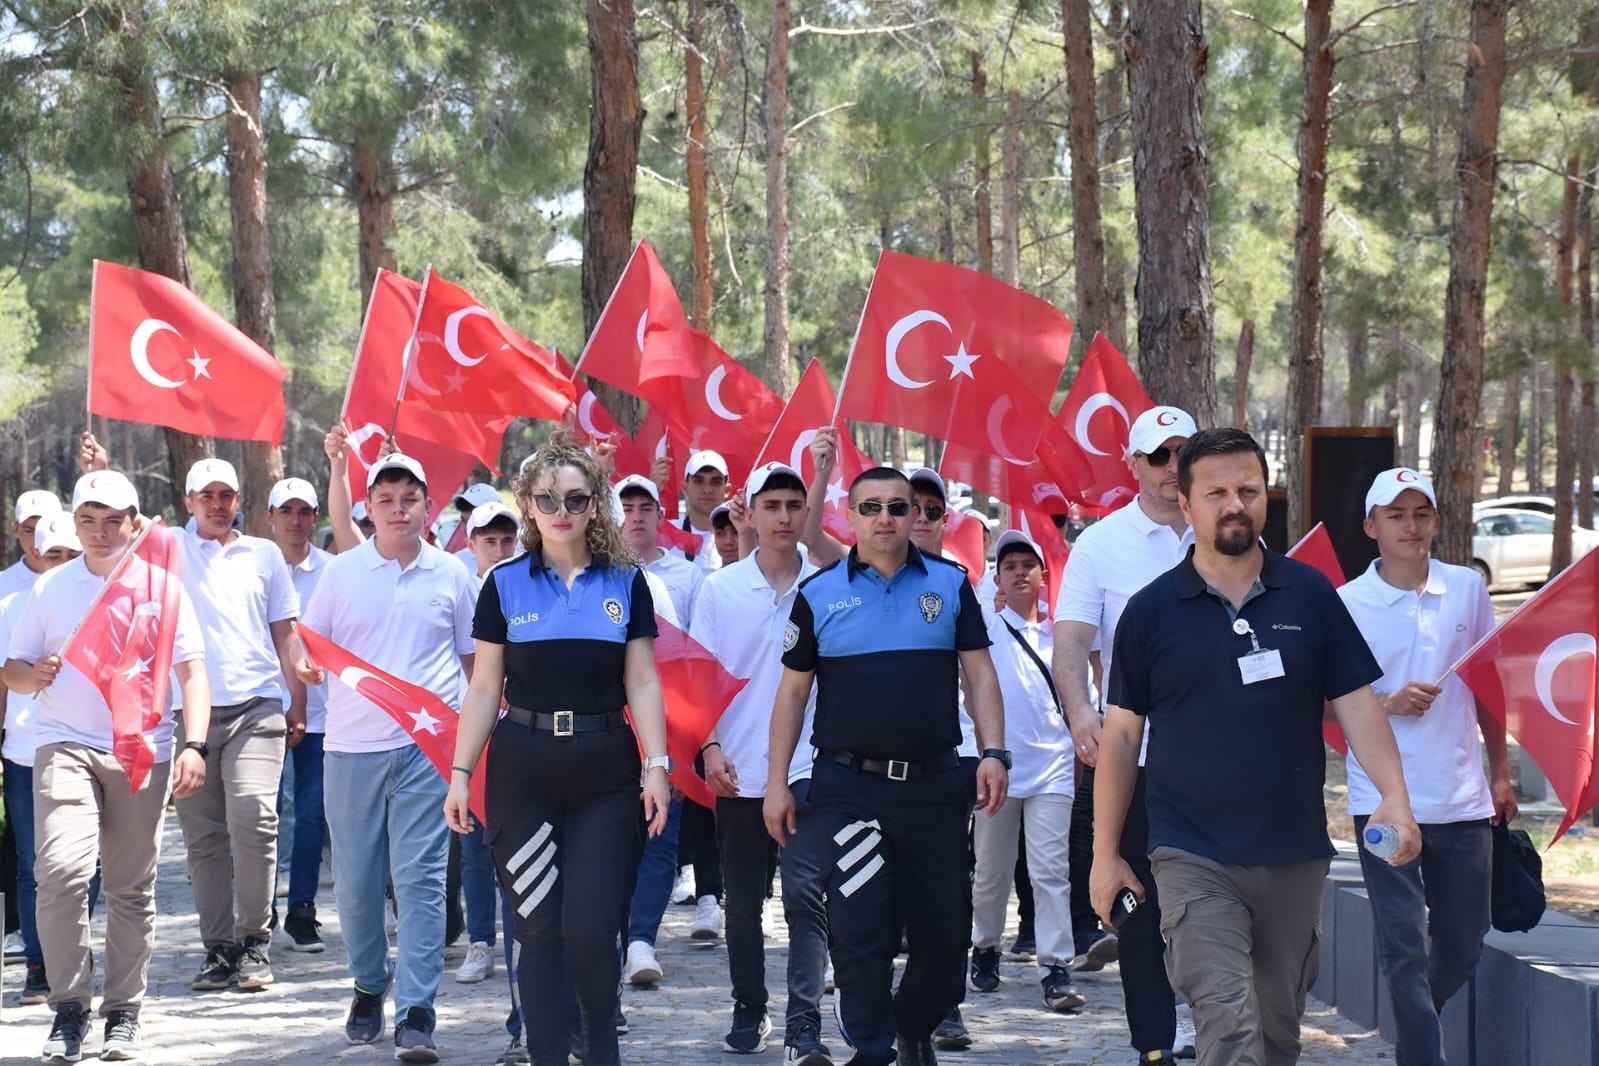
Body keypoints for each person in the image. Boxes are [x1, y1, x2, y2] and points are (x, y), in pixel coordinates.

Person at [1091, 428, 1422, 1066]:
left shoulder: (1311, 594)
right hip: (1191, 853)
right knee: (1227, 1024)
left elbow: (1357, 705)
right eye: (1215, 492)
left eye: (1247, 489)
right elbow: (1122, 736)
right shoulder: (1152, 612)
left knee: (1276, 1035)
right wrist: (1106, 854)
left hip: (1293, 853)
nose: (1234, 504)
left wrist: (1396, 799)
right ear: (1186, 506)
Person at [767, 466, 1008, 1066]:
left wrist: (995, 751)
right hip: (849, 789)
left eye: (898, 508)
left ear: (915, 516)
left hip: (935, 786)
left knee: (945, 932)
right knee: (859, 928)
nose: (885, 518)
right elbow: (792, 695)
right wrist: (776, 784)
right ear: (849, 516)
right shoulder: (818, 595)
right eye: (871, 507)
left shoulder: (951, 587)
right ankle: (873, 1049)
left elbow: (979, 675)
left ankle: (913, 1026)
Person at [445, 432, 672, 1066]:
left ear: (595, 503)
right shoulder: (503, 584)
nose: (561, 509)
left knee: (593, 929)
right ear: (528, 505)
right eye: (547, 499)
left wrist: (657, 765)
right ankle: (546, 1053)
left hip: (606, 772)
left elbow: (643, 679)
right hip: (523, 773)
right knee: (538, 931)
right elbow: (486, 685)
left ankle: (600, 1050)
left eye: (576, 497)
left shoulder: (627, 582)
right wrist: (462, 774)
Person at [6, 470, 211, 1063]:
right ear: (73, 522)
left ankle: (123, 1012)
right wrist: (31, 675)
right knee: (62, 872)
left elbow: (191, 673)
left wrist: (194, 744)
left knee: (129, 887)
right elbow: (12, 668)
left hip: (141, 747)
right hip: (63, 742)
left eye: (112, 520)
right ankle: (69, 1008)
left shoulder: (163, 587)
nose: (99, 532)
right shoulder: (52, 588)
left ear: (134, 521)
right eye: (87, 519)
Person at [296, 451, 478, 1063]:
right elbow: (310, 647)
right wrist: (305, 667)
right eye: (386, 500)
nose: (399, 510)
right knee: (356, 885)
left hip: (427, 750)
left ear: (429, 506)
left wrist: (475, 740)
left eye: (410, 499)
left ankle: (417, 1009)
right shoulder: (341, 573)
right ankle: (370, 984)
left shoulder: (452, 573)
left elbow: (474, 665)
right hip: (351, 750)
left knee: (422, 881)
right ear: (368, 509)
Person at [1338, 468, 1516, 1066]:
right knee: (1403, 945)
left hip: (1463, 801)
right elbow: (1327, 700)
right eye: (1396, 515)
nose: (1411, 526)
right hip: (1382, 803)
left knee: (1464, 943)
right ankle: (1421, 1057)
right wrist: (1383, 704)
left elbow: (1488, 682)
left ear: (1436, 521)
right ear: (1371, 526)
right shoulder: (1347, 603)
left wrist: (1500, 773)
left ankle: (1417, 1030)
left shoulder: (1467, 588)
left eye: (1421, 513)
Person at [1051, 405, 1198, 1062]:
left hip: (1216, 758)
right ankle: (1155, 1044)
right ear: (1133, 465)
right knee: (1136, 904)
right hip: (1131, 759)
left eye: (1183, 453)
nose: (1173, 468)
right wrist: (1082, 712)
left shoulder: (1226, 533)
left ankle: (1204, 1024)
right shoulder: (1100, 544)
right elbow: (1072, 643)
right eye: (1158, 455)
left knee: (1208, 905)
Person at [691, 461, 831, 1061]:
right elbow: (699, 680)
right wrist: (709, 746)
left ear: (805, 513)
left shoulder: (829, 584)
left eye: (792, 506)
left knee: (807, 898)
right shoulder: (720, 589)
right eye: (770, 506)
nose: (782, 517)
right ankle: (750, 1007)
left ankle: (805, 1021)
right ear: (750, 511)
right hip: (738, 769)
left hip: (810, 769)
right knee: (742, 904)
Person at [968, 530, 1083, 1014]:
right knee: (991, 871)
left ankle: (1056, 967)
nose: (1018, 571)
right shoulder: (984, 629)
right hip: (998, 768)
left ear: (1043, 575)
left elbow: (1082, 701)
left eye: (1027, 564)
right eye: (1008, 564)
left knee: (1051, 870)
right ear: (997, 576)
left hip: (1053, 767)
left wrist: (1078, 760)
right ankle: (986, 947)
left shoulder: (1063, 635)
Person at [0, 511, 83, 1005]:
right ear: (35, 553)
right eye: (53, 554)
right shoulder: (13, 602)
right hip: (25, 750)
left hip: (83, 746)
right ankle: (39, 962)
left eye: (71, 556)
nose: (62, 564)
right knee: (34, 864)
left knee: (83, 864)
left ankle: (72, 947)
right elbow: (5, 677)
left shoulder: (95, 601)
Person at [265, 476, 333, 954]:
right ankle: (258, 909)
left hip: (325, 713)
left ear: (315, 517)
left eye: (304, 511)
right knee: (261, 816)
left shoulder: (333, 571)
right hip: (261, 708)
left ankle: (302, 909)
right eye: (285, 511)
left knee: (310, 815)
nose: (295, 520)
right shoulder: (253, 567)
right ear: (270, 517)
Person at [454, 501, 520, 987]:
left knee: (518, 843)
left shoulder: (526, 586)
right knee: (475, 845)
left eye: (506, 540)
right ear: (470, 543)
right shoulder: (459, 590)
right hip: (470, 733)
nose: (498, 549)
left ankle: (523, 935)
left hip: (521, 732)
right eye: (489, 540)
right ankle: (481, 940)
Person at [0, 489, 63, 600]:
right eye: (29, 530)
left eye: (44, 529)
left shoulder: (85, 576)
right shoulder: (3, 584)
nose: (36, 539)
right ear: (16, 529)